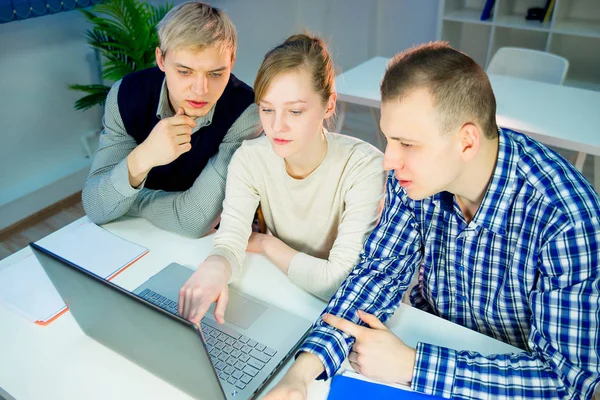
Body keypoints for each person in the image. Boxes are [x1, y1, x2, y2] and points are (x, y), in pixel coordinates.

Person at [265, 42, 600, 400]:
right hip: (431, 346)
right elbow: (378, 274)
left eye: (407, 144)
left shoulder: (566, 218)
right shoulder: (412, 178)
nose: (389, 161)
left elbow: (570, 382)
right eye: (389, 140)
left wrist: (414, 365)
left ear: (467, 142)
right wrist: (300, 374)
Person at [177, 34, 386, 325]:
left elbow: (339, 281)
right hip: (285, 296)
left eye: (295, 111)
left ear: (328, 106)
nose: (276, 126)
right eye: (267, 109)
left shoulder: (365, 167)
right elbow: (230, 241)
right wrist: (215, 266)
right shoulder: (251, 158)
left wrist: (266, 245)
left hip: (342, 317)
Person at [82, 1, 261, 237]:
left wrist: (131, 199)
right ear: (161, 60)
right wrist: (144, 155)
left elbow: (194, 220)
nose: (200, 89)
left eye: (216, 73)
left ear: (232, 62)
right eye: (185, 72)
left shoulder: (245, 111)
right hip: (136, 235)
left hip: (213, 245)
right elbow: (96, 206)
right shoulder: (127, 95)